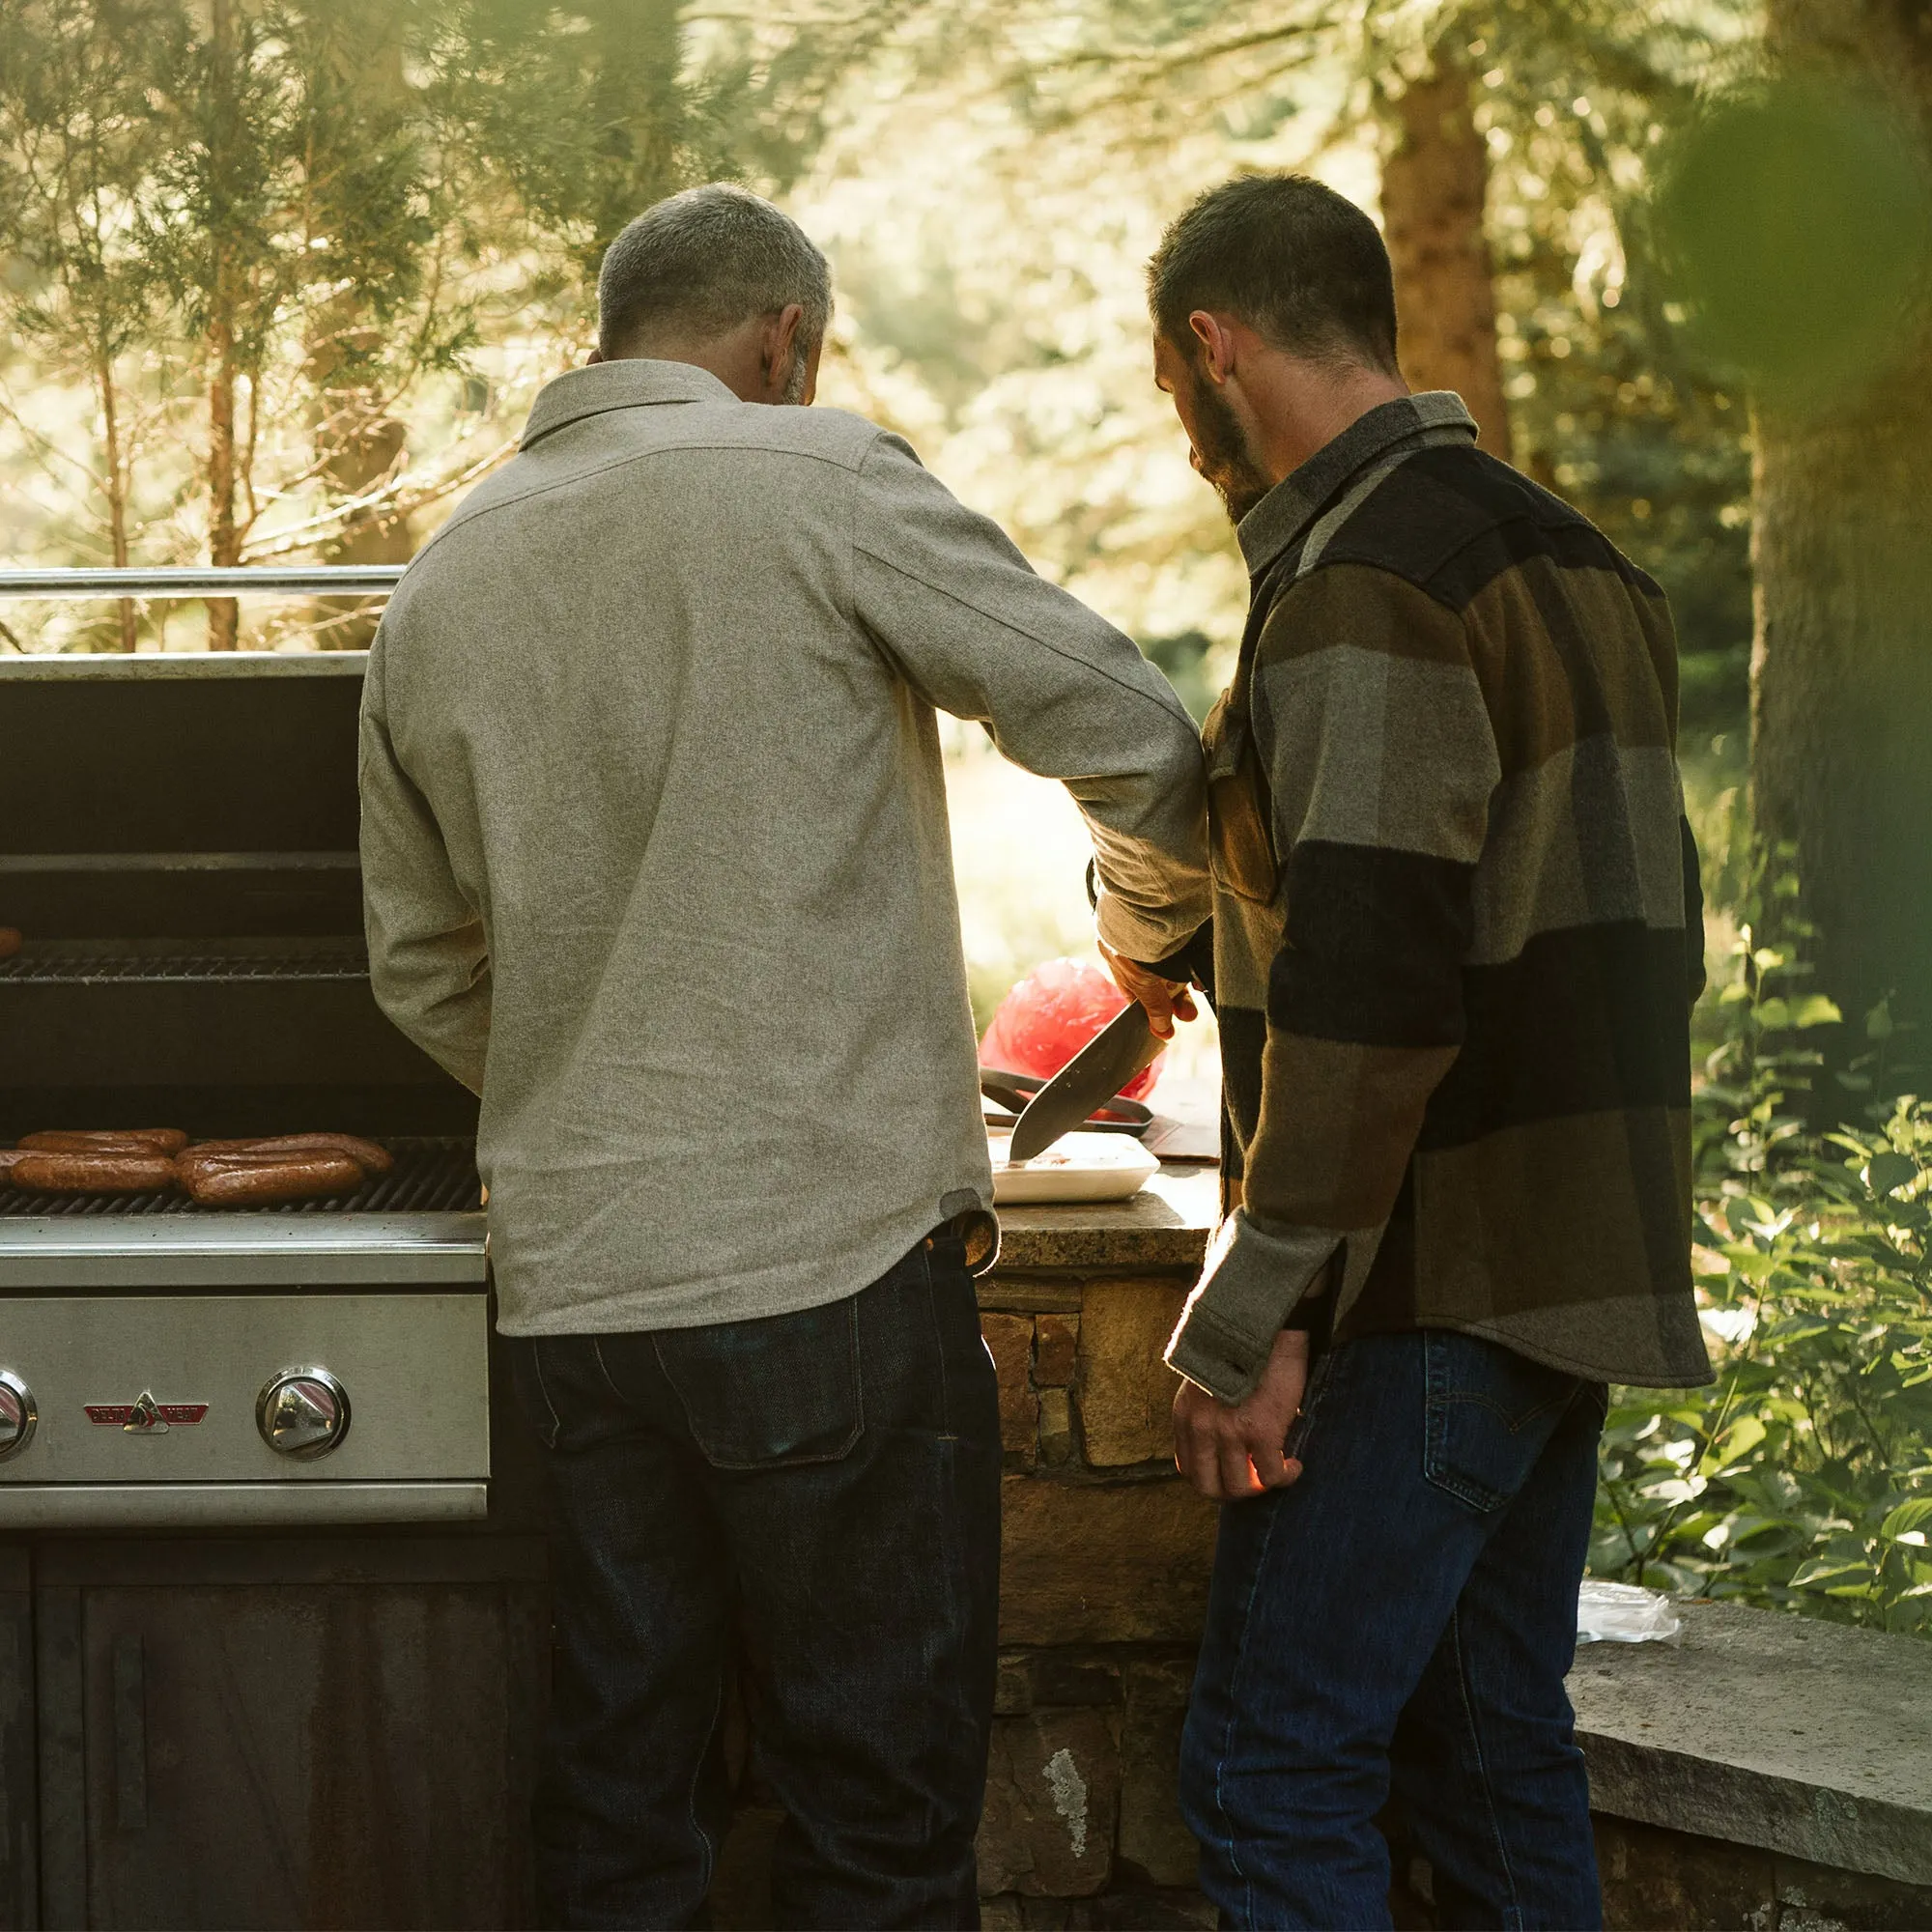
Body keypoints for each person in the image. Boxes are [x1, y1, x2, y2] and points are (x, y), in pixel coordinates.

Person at [358, 183, 1210, 1930]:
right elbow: (1133, 733)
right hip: (827, 1274)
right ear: (785, 343)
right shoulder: (815, 476)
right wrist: (1144, 937)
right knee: (875, 1824)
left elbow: (420, 968)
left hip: (579, 1297)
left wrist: (591, 1093)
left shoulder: (443, 575)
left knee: (619, 1815)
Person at [1107, 173, 1713, 1931]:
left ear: (1213, 348)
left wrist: (1266, 1314)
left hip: (1424, 1284)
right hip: (1572, 1270)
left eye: (1171, 393)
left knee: (1269, 1769)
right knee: (1487, 1750)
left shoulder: (1362, 582)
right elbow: (1626, 917)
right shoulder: (1577, 557)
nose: (1186, 440)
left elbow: (1372, 990)